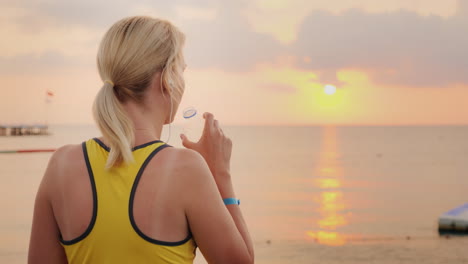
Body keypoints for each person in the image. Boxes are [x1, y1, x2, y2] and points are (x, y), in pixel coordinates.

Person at [28, 16, 254, 264]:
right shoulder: (186, 169)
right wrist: (220, 172)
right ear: (167, 78)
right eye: (181, 70)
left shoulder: (62, 165)